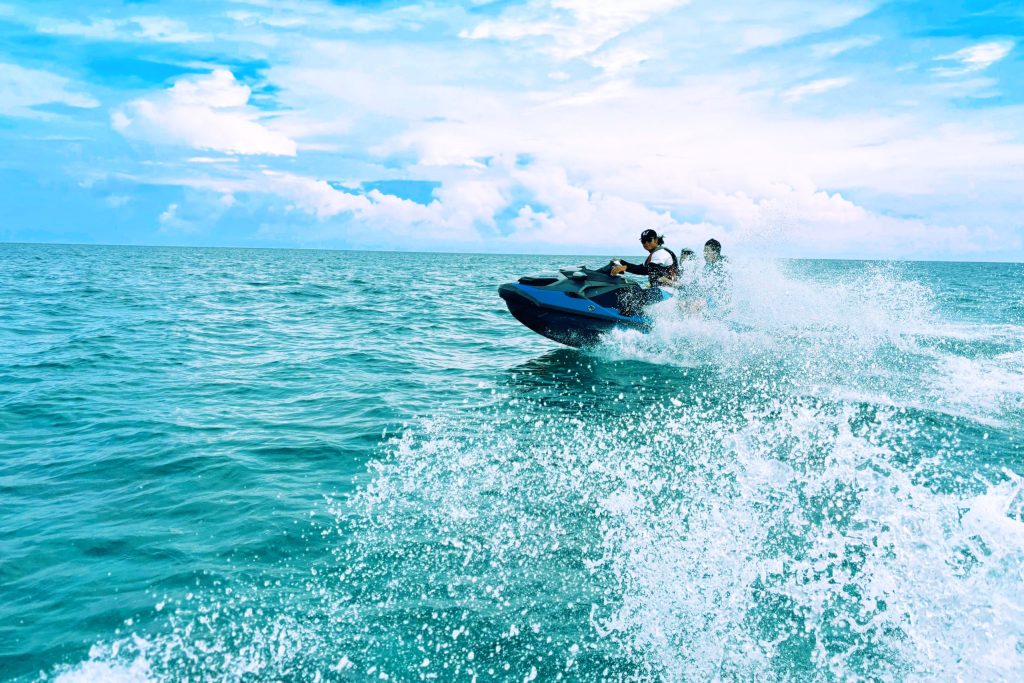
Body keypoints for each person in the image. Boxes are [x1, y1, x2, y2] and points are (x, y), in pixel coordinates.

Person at [609, 229, 678, 287]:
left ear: (656, 240)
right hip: (660, 288)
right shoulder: (654, 254)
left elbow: (648, 270)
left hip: (668, 290)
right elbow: (639, 268)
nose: (646, 243)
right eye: (643, 241)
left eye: (649, 240)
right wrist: (621, 262)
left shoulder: (661, 253)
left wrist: (625, 268)